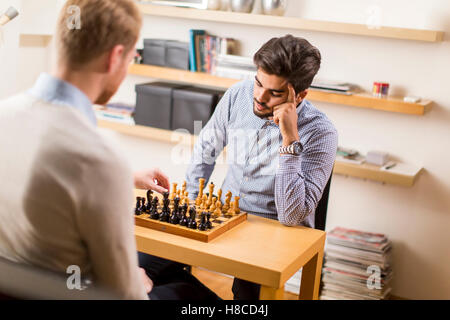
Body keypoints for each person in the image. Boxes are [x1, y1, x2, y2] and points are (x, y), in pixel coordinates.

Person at [0, 0, 173, 300]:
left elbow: (41, 171)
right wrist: (135, 280)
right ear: (115, 57)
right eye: (131, 57)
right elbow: (123, 295)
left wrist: (125, 177)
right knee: (186, 291)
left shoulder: (5, 115)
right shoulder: (100, 159)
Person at [184, 35, 339, 299]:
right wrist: (192, 203)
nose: (259, 96)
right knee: (148, 264)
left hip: (273, 232)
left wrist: (290, 140)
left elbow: (292, 216)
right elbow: (205, 149)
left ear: (299, 95)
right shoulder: (239, 94)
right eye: (258, 83)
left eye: (275, 93)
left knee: (249, 294)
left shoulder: (322, 132)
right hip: (224, 217)